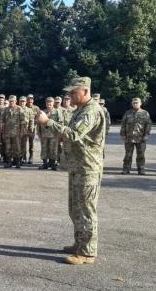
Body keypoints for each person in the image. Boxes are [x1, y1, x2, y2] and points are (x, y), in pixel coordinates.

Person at [36, 77, 106, 265]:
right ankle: (80, 243)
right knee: (75, 209)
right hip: (77, 166)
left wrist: (48, 122)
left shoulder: (91, 111)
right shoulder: (80, 110)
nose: (70, 95)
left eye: (73, 92)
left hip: (87, 168)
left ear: (85, 91)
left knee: (86, 210)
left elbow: (74, 134)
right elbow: (72, 133)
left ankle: (87, 252)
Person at [120, 98, 152, 175]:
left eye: (137, 103)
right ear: (132, 104)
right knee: (128, 155)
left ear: (140, 103)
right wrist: (123, 134)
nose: (135, 104)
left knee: (141, 155)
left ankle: (141, 169)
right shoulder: (128, 113)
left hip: (141, 138)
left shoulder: (145, 113)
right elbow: (123, 123)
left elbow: (148, 124)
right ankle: (126, 169)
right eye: (134, 103)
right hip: (129, 137)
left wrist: (146, 134)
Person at [37, 97, 63, 170]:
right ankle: (45, 164)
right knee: (44, 149)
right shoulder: (42, 112)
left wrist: (59, 133)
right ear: (46, 103)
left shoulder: (57, 112)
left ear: (53, 103)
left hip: (53, 134)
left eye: (51, 102)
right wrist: (39, 133)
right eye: (48, 102)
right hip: (44, 134)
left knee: (53, 149)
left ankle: (52, 164)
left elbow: (61, 123)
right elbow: (38, 123)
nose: (49, 103)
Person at [2, 95, 26, 168]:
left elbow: (22, 121)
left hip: (16, 132)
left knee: (17, 148)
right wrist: (3, 131)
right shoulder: (6, 110)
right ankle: (9, 162)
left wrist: (21, 131)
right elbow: (3, 121)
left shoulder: (19, 109)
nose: (11, 102)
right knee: (8, 147)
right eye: (10, 101)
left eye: (12, 101)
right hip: (7, 132)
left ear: (15, 101)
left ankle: (18, 162)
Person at [18, 96, 34, 165]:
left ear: (26, 102)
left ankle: (23, 158)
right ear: (19, 102)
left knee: (23, 145)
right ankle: (17, 158)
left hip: (25, 130)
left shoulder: (29, 110)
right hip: (16, 130)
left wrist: (31, 130)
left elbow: (31, 120)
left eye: (24, 101)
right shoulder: (16, 109)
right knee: (17, 145)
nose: (22, 103)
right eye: (21, 101)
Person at [25, 94, 40, 164]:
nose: (30, 100)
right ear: (26, 100)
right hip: (24, 127)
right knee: (23, 142)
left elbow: (39, 117)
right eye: (29, 99)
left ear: (33, 100)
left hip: (33, 128)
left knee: (31, 143)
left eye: (31, 99)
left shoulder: (36, 108)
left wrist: (35, 126)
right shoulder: (24, 107)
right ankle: (23, 157)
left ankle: (31, 157)